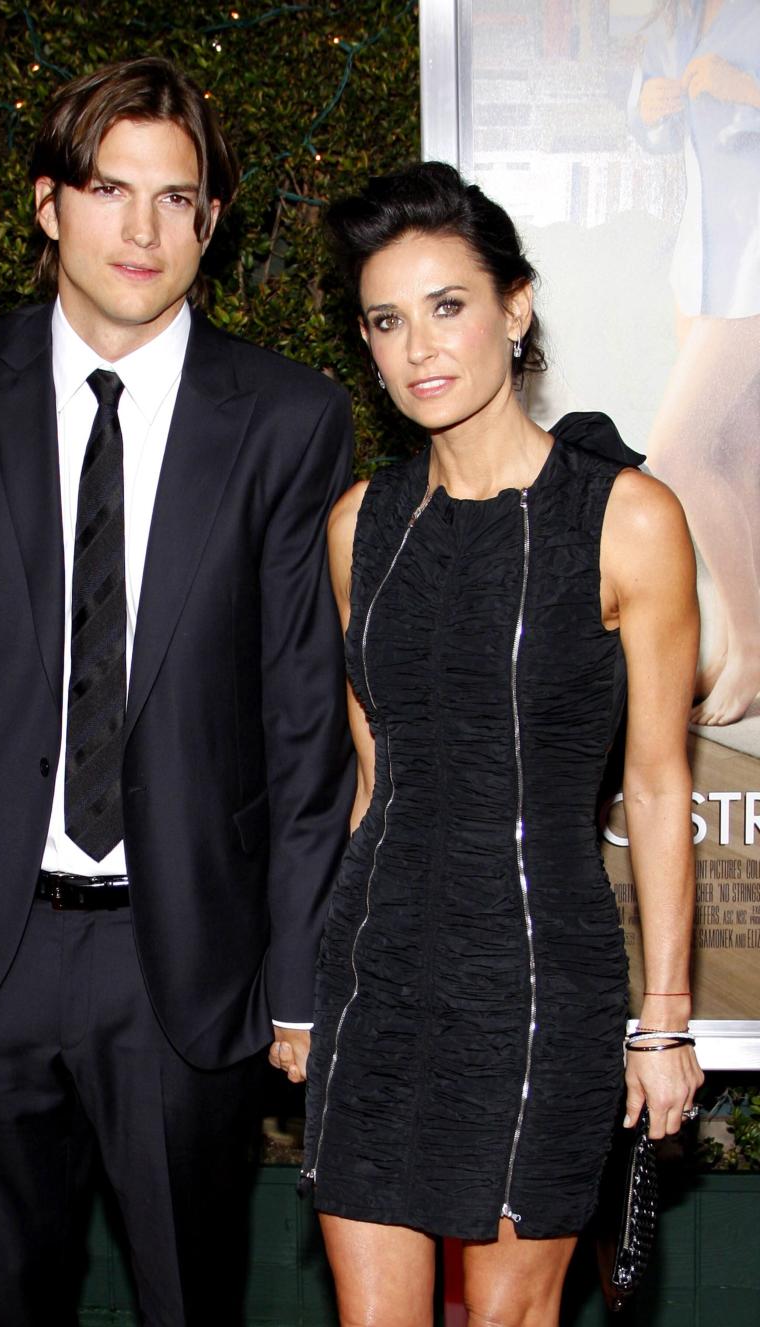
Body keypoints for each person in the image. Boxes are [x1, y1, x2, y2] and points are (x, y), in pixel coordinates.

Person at [0, 57, 354, 1327]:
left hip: (184, 957)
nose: (142, 228)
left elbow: (303, 720)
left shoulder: (288, 419)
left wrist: (299, 981)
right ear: (48, 205)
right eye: (110, 189)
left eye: (177, 199)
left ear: (210, 224)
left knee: (192, 1301)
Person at [299, 162, 704, 1327]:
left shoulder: (626, 518)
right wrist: (312, 986)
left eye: (449, 305)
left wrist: (665, 1017)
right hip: (377, 980)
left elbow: (658, 776)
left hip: (539, 988)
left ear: (514, 309)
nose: (420, 347)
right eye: (387, 319)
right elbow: (373, 775)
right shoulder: (358, 527)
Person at [628, 0, 760, 725]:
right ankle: (750, 639)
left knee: (676, 450)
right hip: (701, 253)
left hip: (757, 252)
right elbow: (649, 133)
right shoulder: (674, 21)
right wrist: (648, 111)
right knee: (733, 450)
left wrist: (746, 90)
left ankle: (749, 649)